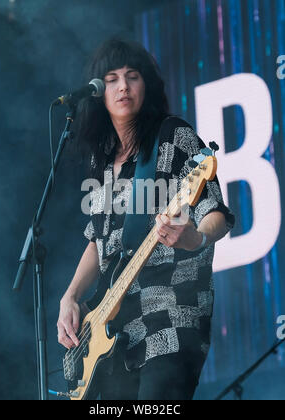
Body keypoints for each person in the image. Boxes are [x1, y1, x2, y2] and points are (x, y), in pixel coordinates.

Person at [57, 37, 235, 400]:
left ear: (146, 85)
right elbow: (98, 240)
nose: (123, 86)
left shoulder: (173, 136)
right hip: (111, 334)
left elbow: (215, 212)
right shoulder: (102, 161)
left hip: (169, 319)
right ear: (99, 93)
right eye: (111, 79)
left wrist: (194, 238)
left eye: (132, 76)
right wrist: (71, 296)